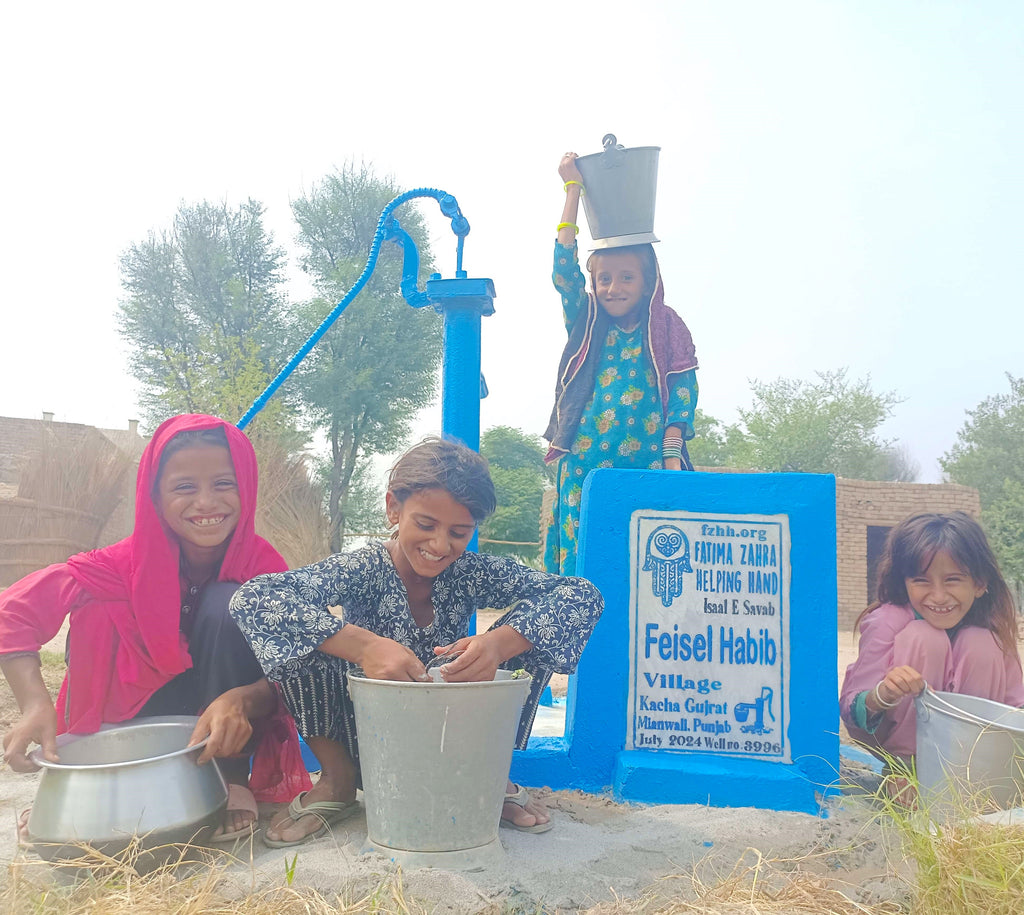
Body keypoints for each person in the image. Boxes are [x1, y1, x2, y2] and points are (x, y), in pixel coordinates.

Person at [229, 437, 604, 847]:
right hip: (369, 740)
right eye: (425, 525)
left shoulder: (470, 572)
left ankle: (487, 774)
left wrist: (498, 644)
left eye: (459, 532)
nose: (440, 545)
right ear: (394, 508)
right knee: (305, 635)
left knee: (532, 629)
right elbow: (253, 598)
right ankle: (336, 782)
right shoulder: (363, 567)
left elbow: (582, 595)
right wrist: (362, 647)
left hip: (456, 739)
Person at [0, 414, 310, 842]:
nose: (206, 502)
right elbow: (12, 614)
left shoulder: (262, 566)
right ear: (155, 497)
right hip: (131, 730)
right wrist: (35, 703)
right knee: (98, 610)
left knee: (232, 603)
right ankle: (87, 779)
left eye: (224, 483)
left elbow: (294, 669)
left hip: (223, 725)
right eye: (185, 487)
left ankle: (228, 778)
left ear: (247, 487)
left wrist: (243, 697)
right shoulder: (117, 565)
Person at [543, 151, 699, 576]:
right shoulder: (587, 319)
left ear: (648, 281)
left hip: (647, 465)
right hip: (584, 467)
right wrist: (572, 188)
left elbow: (682, 393)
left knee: (647, 564)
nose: (613, 287)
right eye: (603, 278)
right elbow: (562, 272)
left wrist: (671, 455)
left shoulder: (667, 327)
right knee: (584, 565)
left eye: (626, 277)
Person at [840, 511, 1024, 770]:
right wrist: (883, 694)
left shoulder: (991, 627)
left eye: (953, 580)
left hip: (969, 754)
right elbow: (851, 707)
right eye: (921, 581)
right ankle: (907, 767)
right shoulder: (887, 621)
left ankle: (971, 765)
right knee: (925, 637)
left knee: (981, 642)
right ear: (904, 583)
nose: (938, 596)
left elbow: (1015, 705)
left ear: (980, 584)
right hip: (894, 743)